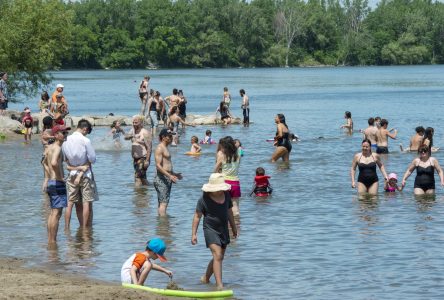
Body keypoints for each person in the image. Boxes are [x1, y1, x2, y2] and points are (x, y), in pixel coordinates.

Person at [191, 173, 238, 290]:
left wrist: (233, 226)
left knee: (219, 256)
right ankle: (219, 285)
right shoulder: (203, 199)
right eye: (218, 188)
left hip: (223, 229)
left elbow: (229, 212)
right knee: (217, 255)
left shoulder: (226, 195)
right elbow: (197, 216)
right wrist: (194, 234)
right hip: (210, 229)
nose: (221, 190)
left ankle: (206, 278)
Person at [62, 119, 97, 229]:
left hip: (72, 173)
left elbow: (65, 159)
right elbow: (93, 159)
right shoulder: (85, 140)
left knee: (71, 202)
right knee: (86, 202)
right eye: (87, 131)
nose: (87, 133)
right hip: (85, 174)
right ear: (85, 129)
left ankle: (67, 227)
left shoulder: (65, 140)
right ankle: (85, 228)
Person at [42, 125, 70, 244]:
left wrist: (48, 178)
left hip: (51, 182)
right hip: (57, 182)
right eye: (63, 133)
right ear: (57, 134)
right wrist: (60, 178)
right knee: (57, 213)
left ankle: (50, 240)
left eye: (66, 133)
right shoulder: (57, 148)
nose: (65, 135)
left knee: (53, 212)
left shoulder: (48, 148)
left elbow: (43, 163)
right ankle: (53, 241)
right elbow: (53, 163)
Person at [154, 128, 182, 216]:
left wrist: (174, 174)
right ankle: (164, 226)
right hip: (162, 179)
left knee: (162, 202)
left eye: (171, 136)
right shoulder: (159, 148)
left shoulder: (165, 147)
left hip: (166, 177)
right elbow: (158, 166)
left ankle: (161, 227)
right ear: (163, 137)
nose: (171, 138)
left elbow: (166, 165)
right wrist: (169, 176)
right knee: (163, 203)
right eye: (169, 136)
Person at [214, 136, 241, 216]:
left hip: (224, 182)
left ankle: (226, 225)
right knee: (235, 207)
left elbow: (215, 170)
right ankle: (236, 225)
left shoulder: (222, 156)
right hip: (235, 183)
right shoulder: (237, 155)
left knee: (223, 206)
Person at [124, 116, 152, 187]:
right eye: (133, 122)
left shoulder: (145, 132)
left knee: (137, 177)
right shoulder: (132, 130)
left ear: (141, 123)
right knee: (142, 178)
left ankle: (137, 196)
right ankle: (149, 190)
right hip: (135, 159)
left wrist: (147, 161)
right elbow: (125, 137)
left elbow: (149, 148)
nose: (134, 124)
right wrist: (129, 136)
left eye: (136, 122)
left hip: (143, 158)